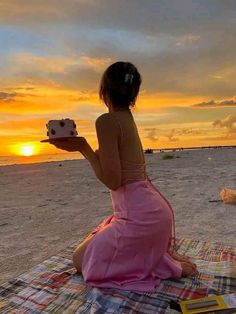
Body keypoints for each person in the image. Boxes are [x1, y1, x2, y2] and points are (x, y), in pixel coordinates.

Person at [49, 61, 198, 292]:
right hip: (154, 214)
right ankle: (160, 257)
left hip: (140, 218)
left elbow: (113, 181)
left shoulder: (106, 121)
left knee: (79, 260)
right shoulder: (127, 118)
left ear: (103, 92)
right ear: (133, 95)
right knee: (97, 238)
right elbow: (122, 174)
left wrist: (84, 148)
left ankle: (163, 263)